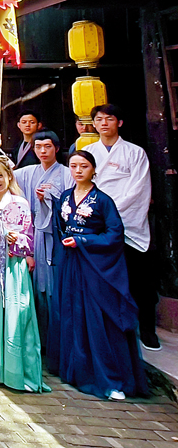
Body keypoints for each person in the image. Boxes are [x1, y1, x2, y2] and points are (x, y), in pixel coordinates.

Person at [47, 151, 148, 400]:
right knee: (72, 313)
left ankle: (110, 379)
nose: (78, 170)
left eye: (84, 166)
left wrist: (83, 240)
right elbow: (59, 227)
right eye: (73, 166)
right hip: (70, 264)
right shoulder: (65, 197)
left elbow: (115, 234)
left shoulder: (103, 201)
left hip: (95, 266)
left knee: (98, 318)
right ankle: (76, 371)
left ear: (94, 169)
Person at [86, 104, 158, 351]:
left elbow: (139, 190)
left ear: (120, 122)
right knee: (103, 281)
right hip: (97, 221)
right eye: (99, 119)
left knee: (139, 282)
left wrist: (111, 214)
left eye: (109, 118)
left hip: (128, 221)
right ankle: (110, 332)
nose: (104, 123)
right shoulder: (89, 151)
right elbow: (83, 183)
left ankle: (147, 330)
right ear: (93, 124)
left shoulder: (134, 152)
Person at [0, 155, 47, 392]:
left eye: (0, 175)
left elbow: (29, 239)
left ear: (9, 176)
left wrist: (16, 241)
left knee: (16, 315)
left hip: (12, 268)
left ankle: (15, 372)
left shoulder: (19, 203)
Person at [14, 130, 72, 348]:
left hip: (58, 235)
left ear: (56, 148)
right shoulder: (27, 172)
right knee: (37, 285)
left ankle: (59, 341)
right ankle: (40, 340)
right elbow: (3, 175)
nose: (43, 151)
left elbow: (71, 205)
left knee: (57, 286)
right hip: (34, 234)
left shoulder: (67, 173)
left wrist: (51, 198)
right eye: (38, 147)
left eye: (47, 146)